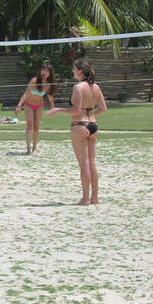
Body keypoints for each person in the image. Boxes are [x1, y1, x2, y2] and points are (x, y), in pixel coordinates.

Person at [47, 58, 107, 205]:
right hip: (93, 124)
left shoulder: (78, 87)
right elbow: (103, 109)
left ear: (80, 70)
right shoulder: (96, 87)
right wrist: (90, 114)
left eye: (74, 68)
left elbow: (75, 110)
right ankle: (95, 197)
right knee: (92, 162)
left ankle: (85, 198)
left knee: (84, 164)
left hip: (79, 124)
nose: (73, 70)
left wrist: (58, 109)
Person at [15, 63, 57, 154]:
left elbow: (50, 96)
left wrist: (53, 106)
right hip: (28, 104)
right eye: (43, 70)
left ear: (50, 73)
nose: (44, 72)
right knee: (30, 124)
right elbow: (26, 93)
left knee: (36, 127)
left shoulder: (48, 84)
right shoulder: (34, 80)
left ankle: (34, 146)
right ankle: (28, 148)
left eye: (46, 71)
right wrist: (19, 105)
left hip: (39, 105)